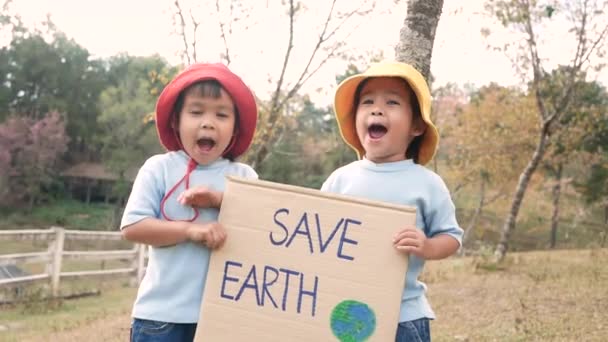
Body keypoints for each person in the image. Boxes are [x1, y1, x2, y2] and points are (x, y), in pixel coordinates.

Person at [321, 60, 463, 342]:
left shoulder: (427, 183)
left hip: (403, 315)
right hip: (344, 313)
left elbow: (451, 237)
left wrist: (427, 245)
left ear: (417, 126)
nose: (377, 108)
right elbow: (317, 236)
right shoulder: (340, 180)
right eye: (368, 101)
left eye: (392, 102)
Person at [120, 63, 258, 342]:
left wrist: (220, 201)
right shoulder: (158, 168)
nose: (208, 122)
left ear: (234, 129)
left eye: (221, 115)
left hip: (223, 319)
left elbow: (262, 230)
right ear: (176, 121)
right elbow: (133, 227)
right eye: (196, 112)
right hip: (161, 318)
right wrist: (190, 231)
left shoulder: (244, 176)